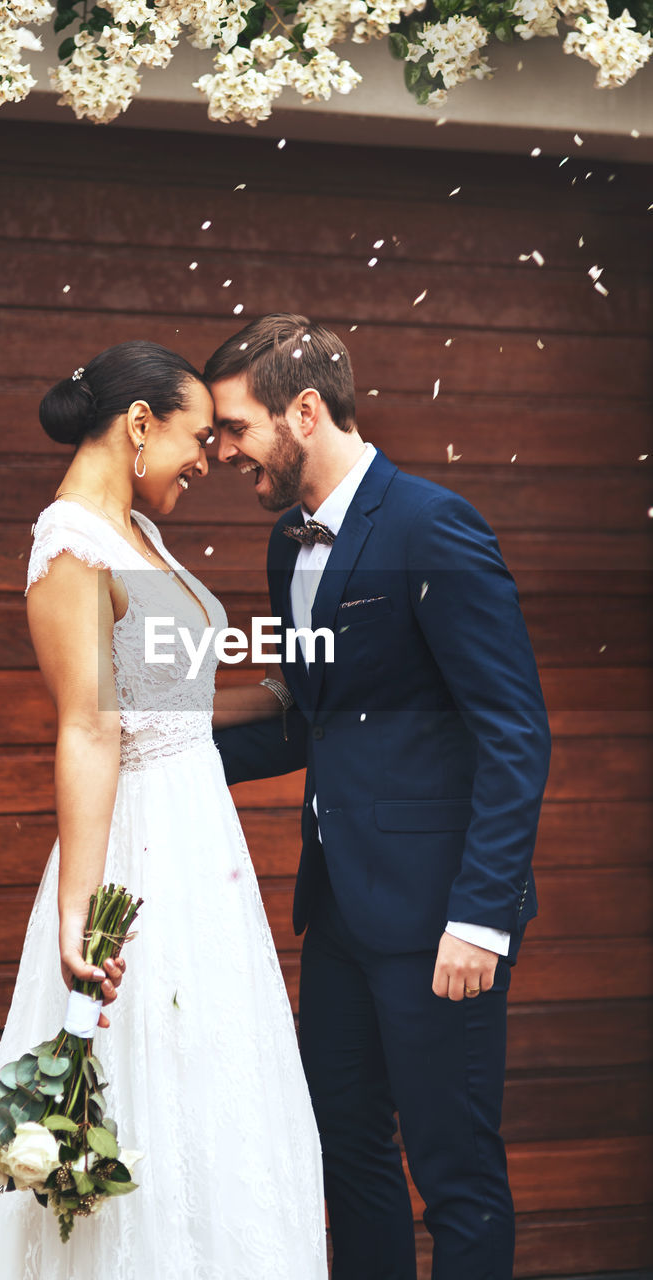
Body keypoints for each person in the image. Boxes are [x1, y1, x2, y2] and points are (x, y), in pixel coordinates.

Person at [0, 340, 327, 1280]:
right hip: (140, 855)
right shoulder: (70, 543)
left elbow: (176, 699)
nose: (208, 459)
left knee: (211, 1094)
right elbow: (89, 729)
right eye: (196, 437)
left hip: (201, 852)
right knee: (136, 1090)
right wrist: (80, 908)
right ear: (138, 424)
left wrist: (320, 693)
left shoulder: (138, 533)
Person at [207, 314, 552, 1280]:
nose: (224, 450)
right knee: (347, 1152)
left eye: (237, 428)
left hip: (442, 918)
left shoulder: (432, 525)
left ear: (304, 411)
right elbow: (319, 720)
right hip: (340, 918)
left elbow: (513, 731)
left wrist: (481, 917)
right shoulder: (289, 547)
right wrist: (169, 749)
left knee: (455, 1173)